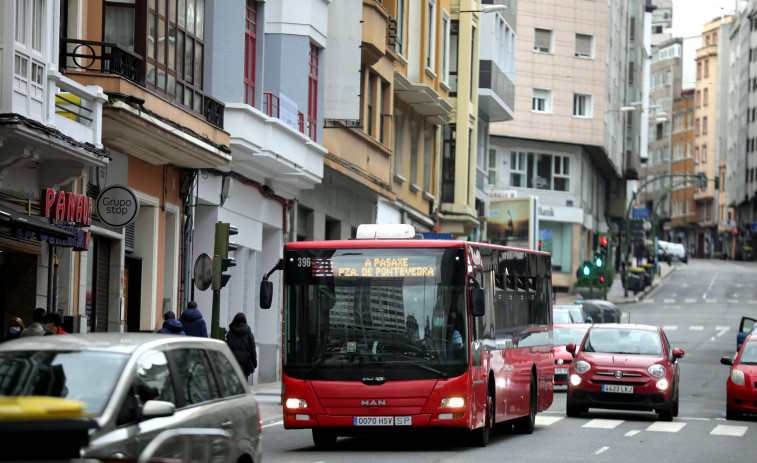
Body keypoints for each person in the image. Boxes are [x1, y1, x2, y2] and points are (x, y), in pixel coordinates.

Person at [225, 312, 257, 383]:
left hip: (233, 364)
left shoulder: (230, 333)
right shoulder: (249, 333)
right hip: (245, 365)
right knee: (244, 384)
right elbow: (252, 349)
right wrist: (254, 363)